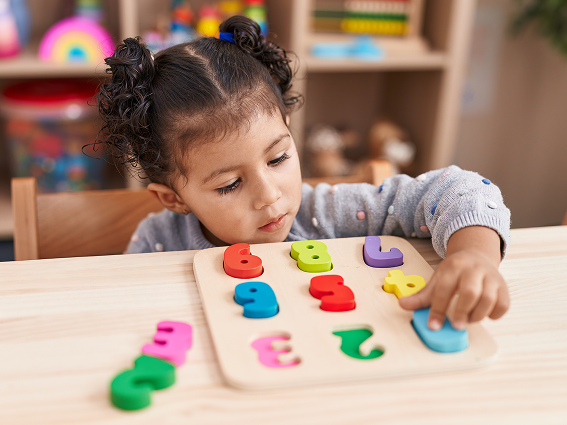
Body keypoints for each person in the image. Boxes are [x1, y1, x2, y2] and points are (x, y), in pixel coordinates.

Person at [96, 15, 511, 332]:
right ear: (174, 198)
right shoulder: (157, 243)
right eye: (229, 184)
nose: (270, 196)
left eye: (277, 159)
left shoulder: (325, 214)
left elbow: (461, 188)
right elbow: (128, 326)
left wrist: (474, 256)